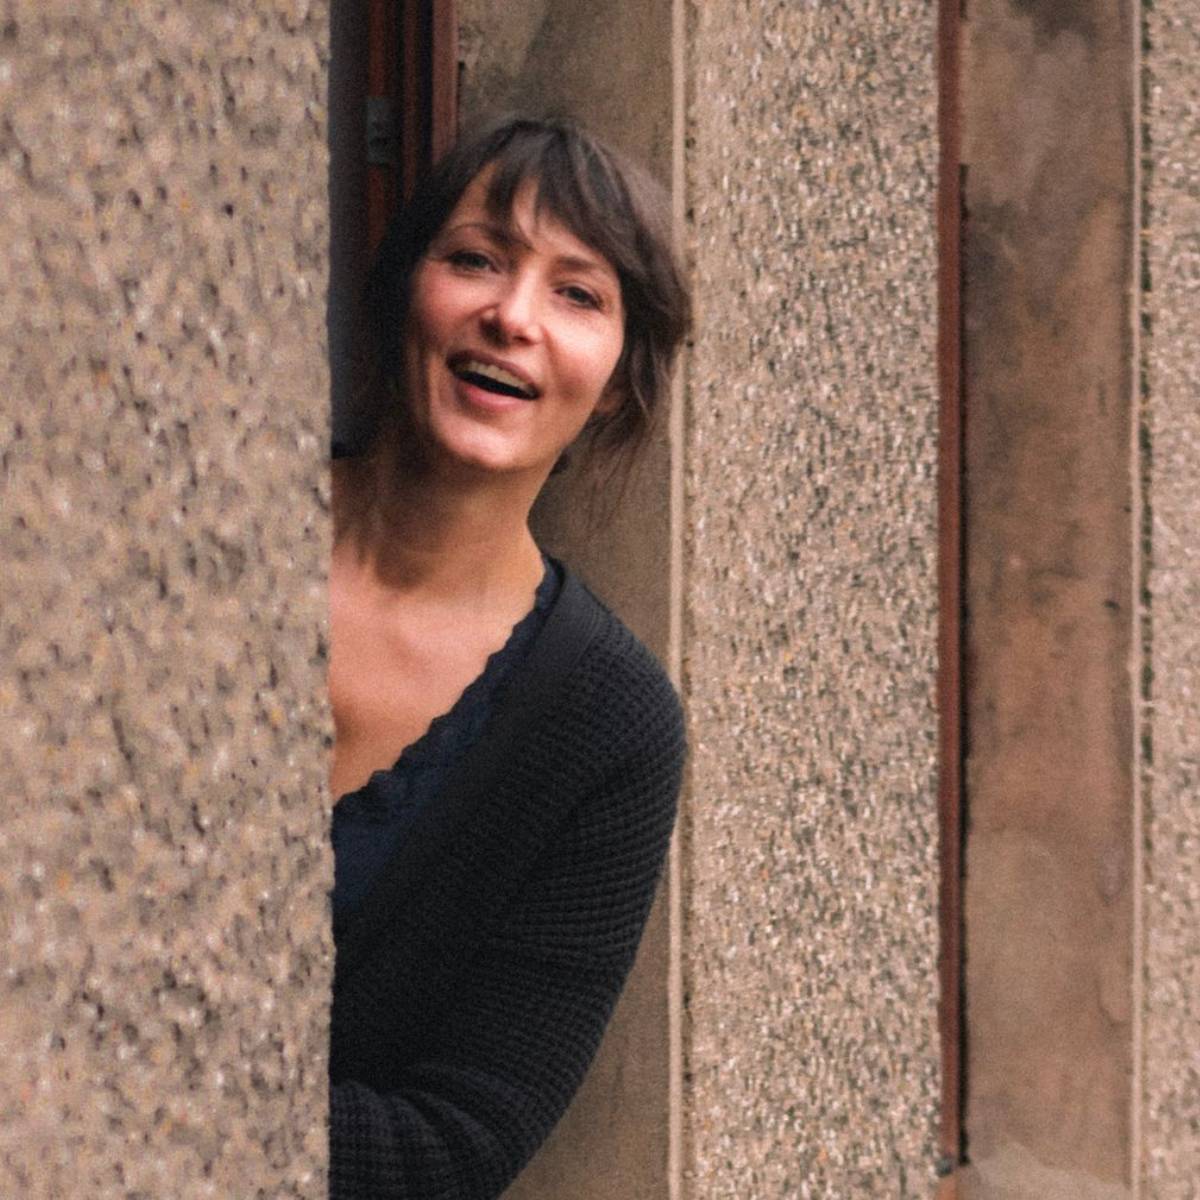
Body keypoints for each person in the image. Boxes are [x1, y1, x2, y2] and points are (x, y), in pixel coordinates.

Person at [327, 115, 691, 1199]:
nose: (513, 316)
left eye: (577, 293)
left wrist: (137, 1086)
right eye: (477, 259)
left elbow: (455, 1144)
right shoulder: (196, 522)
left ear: (620, 380)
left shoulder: (611, 725)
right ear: (407, 289)